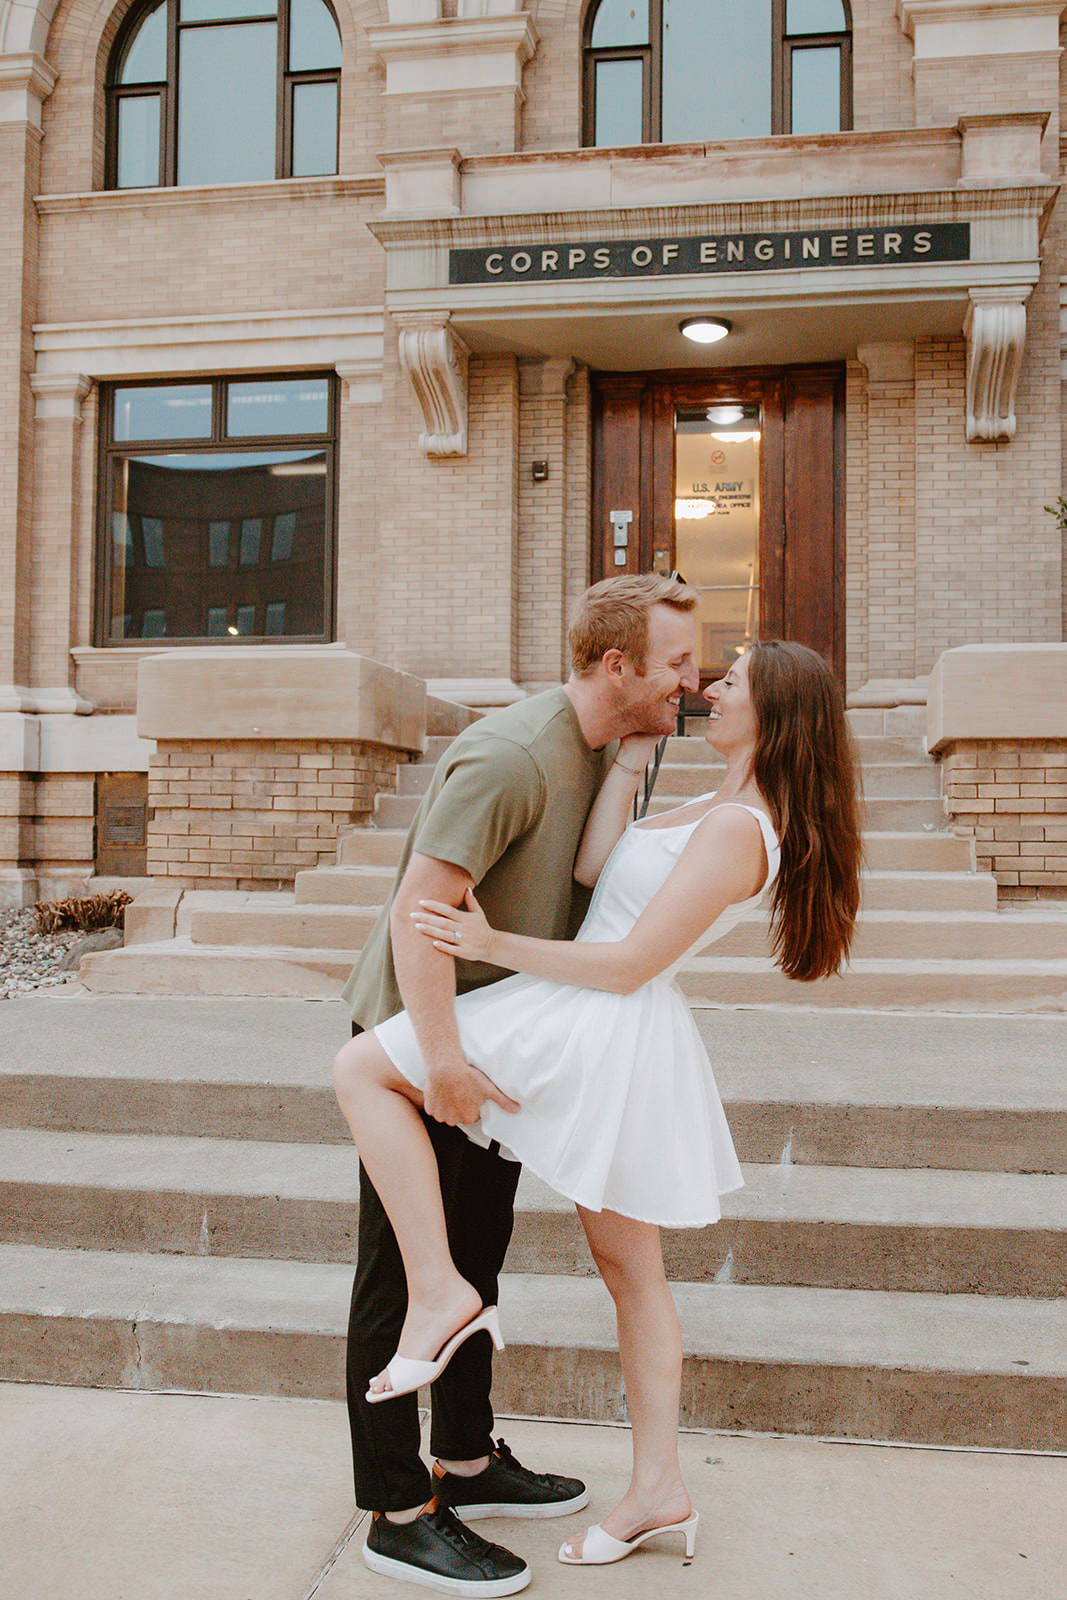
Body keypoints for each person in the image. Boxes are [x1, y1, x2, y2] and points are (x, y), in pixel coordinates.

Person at [334, 637, 862, 1577]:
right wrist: (626, 759)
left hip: (596, 1023)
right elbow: (590, 872)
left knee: (362, 1069)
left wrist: (491, 939)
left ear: (773, 714)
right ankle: (651, 1486)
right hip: (589, 1022)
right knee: (630, 1270)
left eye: (728, 683)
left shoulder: (743, 829)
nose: (706, 689)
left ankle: (442, 1293)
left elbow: (627, 962)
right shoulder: (712, 803)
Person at [337, 574, 701, 1596]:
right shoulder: (510, 754)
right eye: (676, 661)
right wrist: (442, 1062)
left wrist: (633, 761)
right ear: (617, 664)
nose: (694, 677)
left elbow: (586, 880)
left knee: (476, 1254)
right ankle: (397, 1510)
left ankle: (463, 1457)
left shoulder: (611, 745)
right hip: (422, 1036)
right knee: (404, 1274)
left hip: (503, 1035)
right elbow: (421, 911)